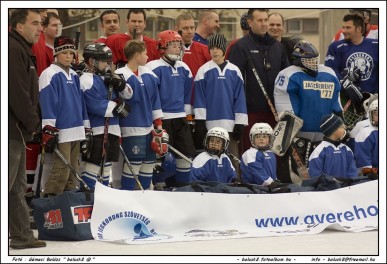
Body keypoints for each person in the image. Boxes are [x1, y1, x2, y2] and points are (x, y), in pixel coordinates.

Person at [274, 40, 343, 183]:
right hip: (300, 136)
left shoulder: (329, 73)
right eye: (308, 60)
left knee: (324, 172)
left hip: (324, 136)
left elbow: (336, 103)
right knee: (298, 176)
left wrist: (339, 120)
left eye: (314, 59)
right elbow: (286, 108)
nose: (313, 63)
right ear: (298, 60)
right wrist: (289, 130)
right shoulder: (288, 75)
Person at [9, 9, 46, 249]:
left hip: (18, 131)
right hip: (11, 130)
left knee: (17, 186)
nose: (39, 28)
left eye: (40, 24)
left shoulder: (23, 50)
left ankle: (22, 235)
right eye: (34, 23)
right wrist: (33, 122)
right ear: (18, 26)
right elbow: (16, 93)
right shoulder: (12, 50)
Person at [228, 9, 290, 154]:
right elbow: (233, 83)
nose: (264, 24)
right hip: (249, 112)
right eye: (260, 20)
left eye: (265, 20)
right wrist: (237, 114)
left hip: (274, 112)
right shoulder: (240, 47)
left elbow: (286, 78)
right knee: (250, 153)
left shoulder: (277, 46)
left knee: (273, 152)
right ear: (250, 22)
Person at [39, 36, 90, 196]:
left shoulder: (75, 75)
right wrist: (48, 128)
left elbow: (81, 103)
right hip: (61, 131)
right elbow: (47, 102)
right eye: (65, 53)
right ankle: (50, 203)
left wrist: (86, 126)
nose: (69, 56)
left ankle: (67, 204)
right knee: (60, 170)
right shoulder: (49, 74)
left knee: (73, 171)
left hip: (76, 129)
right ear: (56, 54)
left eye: (71, 53)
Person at [193, 33, 247, 178]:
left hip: (230, 125)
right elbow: (200, 98)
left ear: (223, 49)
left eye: (217, 48)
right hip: (210, 125)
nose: (214, 51)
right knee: (211, 159)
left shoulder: (235, 71)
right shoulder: (203, 71)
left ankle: (234, 185)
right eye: (211, 48)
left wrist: (240, 123)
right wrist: (200, 122)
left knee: (231, 158)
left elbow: (240, 99)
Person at [80, 43, 132, 189]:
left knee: (106, 167)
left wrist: (120, 84)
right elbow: (94, 104)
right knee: (92, 167)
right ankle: (89, 197)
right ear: (92, 61)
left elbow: (129, 94)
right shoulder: (86, 79)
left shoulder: (108, 76)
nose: (108, 64)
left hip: (112, 129)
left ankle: (103, 198)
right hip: (96, 130)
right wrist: (117, 107)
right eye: (104, 61)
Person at [145, 30, 195, 185]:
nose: (177, 48)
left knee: (186, 155)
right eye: (172, 45)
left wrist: (189, 116)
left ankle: (183, 188)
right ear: (162, 47)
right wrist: (156, 120)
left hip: (180, 118)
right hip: (162, 119)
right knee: (161, 155)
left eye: (179, 45)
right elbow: (151, 96)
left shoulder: (184, 68)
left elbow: (188, 94)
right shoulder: (152, 67)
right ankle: (158, 186)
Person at [117, 40, 164, 190]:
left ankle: (146, 199)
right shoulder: (120, 76)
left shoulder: (149, 75)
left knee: (149, 164)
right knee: (134, 164)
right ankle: (128, 197)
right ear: (137, 55)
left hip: (148, 128)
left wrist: (158, 126)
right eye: (145, 53)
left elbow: (155, 101)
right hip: (130, 128)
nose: (148, 56)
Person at [325, 13, 379, 95]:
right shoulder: (336, 47)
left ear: (359, 29)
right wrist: (346, 84)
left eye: (348, 28)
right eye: (343, 27)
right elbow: (330, 71)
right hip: (345, 98)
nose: (343, 31)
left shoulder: (376, 46)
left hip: (372, 99)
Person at [308, 114, 357, 178]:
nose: (345, 128)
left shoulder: (347, 150)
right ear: (333, 130)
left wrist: (350, 184)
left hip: (346, 187)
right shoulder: (319, 151)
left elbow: (352, 171)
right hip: (327, 187)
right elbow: (315, 175)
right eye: (341, 127)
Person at [354, 99, 378, 177]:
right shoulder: (366, 133)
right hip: (374, 175)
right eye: (377, 114)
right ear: (370, 114)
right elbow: (362, 158)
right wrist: (369, 172)